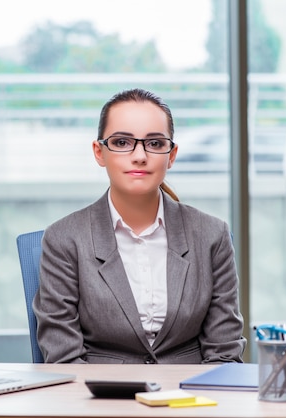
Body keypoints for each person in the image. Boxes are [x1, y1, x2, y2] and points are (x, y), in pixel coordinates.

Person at [32, 88, 246, 364]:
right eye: (122, 142)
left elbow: (224, 353)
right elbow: (63, 356)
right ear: (99, 152)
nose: (140, 155)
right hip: (101, 399)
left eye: (155, 144)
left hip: (191, 398)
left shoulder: (211, 235)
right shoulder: (64, 238)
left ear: (172, 154)